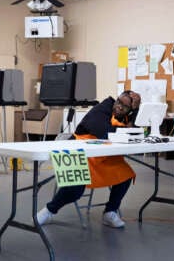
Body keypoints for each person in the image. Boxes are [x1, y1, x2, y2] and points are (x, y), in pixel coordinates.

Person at [36, 90, 141, 228]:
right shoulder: (102, 109)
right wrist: (125, 130)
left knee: (125, 175)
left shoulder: (124, 117)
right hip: (77, 150)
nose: (120, 107)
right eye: (119, 102)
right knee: (75, 189)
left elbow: (135, 131)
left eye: (125, 107)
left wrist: (136, 110)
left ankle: (110, 212)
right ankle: (49, 210)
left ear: (129, 110)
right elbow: (105, 132)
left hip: (101, 156)